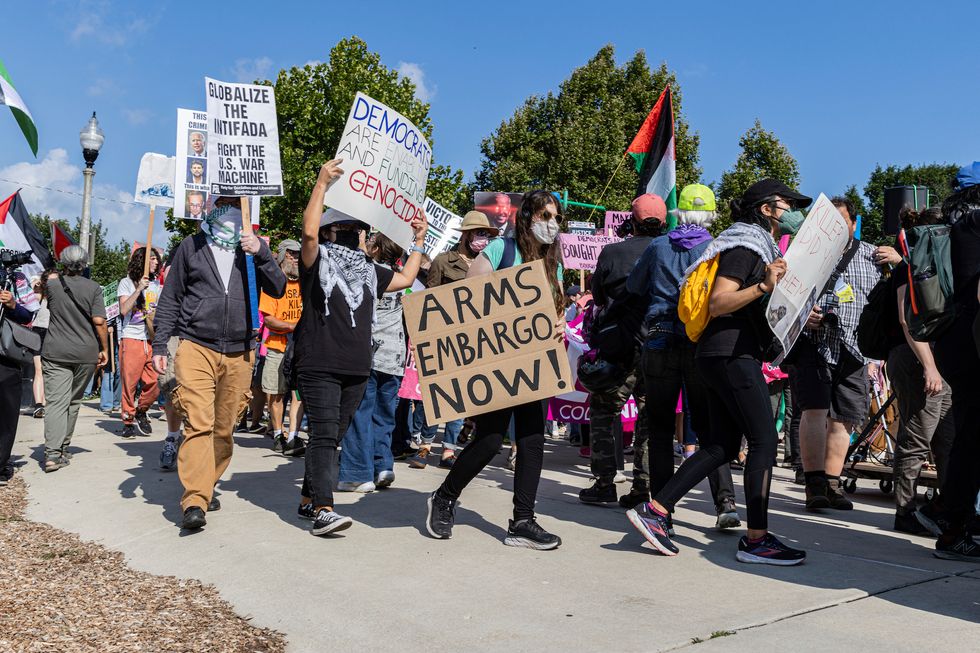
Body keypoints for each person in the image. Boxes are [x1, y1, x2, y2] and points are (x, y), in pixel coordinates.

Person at [626, 179, 810, 565]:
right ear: (766, 209)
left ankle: (655, 511)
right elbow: (720, 301)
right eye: (787, 203)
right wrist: (762, 285)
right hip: (730, 354)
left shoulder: (753, 243)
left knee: (722, 446)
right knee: (762, 441)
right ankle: (757, 540)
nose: (794, 209)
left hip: (718, 354)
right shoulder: (745, 245)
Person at [294, 158, 427, 537]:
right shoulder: (316, 258)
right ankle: (323, 508)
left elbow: (405, 277)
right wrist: (321, 184)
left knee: (333, 437)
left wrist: (418, 241)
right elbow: (306, 235)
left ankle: (307, 498)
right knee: (322, 435)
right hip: (319, 362)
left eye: (359, 229)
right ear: (330, 230)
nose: (354, 233)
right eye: (345, 227)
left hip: (357, 366)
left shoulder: (369, 268)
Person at [426, 189, 565, 550]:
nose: (552, 224)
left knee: (533, 441)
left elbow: (557, 308)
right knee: (489, 441)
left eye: (557, 218)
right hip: (498, 362)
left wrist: (558, 324)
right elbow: (466, 302)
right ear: (527, 217)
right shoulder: (500, 250)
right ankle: (444, 496)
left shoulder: (554, 262)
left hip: (535, 362)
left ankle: (523, 520)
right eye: (545, 216)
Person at [151, 197, 286, 531]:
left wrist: (262, 252)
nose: (228, 207)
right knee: (198, 421)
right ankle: (195, 499)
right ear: (211, 205)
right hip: (196, 345)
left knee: (223, 428)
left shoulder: (252, 248)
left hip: (240, 350)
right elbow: (170, 298)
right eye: (222, 201)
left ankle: (207, 482)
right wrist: (160, 344)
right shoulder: (191, 246)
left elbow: (280, 287)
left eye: (235, 201)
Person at [625, 184, 741, 527]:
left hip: (659, 337)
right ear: (711, 215)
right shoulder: (717, 248)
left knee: (660, 430)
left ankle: (663, 512)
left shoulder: (659, 246)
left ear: (677, 212)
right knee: (710, 431)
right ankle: (726, 504)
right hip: (699, 341)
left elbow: (633, 287)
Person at [792, 196, 882, 512]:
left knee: (845, 418)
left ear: (852, 224)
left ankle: (832, 483)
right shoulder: (806, 254)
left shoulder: (873, 255)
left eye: (840, 222)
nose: (834, 229)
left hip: (855, 347)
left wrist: (899, 259)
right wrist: (806, 314)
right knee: (814, 411)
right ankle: (814, 484)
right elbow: (787, 295)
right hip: (815, 342)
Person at [871, 208, 954, 534]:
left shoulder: (926, 264)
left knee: (947, 438)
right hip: (917, 358)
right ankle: (905, 512)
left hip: (932, 361)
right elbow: (909, 322)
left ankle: (947, 508)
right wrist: (929, 366)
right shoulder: (913, 267)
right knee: (917, 439)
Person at [579, 193, 663, 508]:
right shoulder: (670, 251)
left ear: (632, 221)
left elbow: (598, 295)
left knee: (603, 412)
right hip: (657, 347)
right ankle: (643, 488)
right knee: (649, 419)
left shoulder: (613, 253)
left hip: (620, 348)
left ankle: (604, 483)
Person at [915, 162, 980, 560]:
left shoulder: (957, 226)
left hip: (957, 343)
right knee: (973, 437)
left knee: (972, 434)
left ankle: (951, 515)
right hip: (973, 344)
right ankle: (951, 520)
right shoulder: (976, 226)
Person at [410, 210, 500, 469]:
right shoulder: (443, 261)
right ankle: (425, 445)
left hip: (474, 338)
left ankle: (449, 450)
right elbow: (429, 300)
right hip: (444, 336)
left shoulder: (489, 264)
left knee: (461, 396)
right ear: (466, 235)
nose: (483, 239)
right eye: (480, 233)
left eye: (487, 235)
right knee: (436, 393)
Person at [338, 233, 411, 491]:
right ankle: (383, 466)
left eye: (371, 242)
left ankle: (358, 471)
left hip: (369, 354)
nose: (366, 244)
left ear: (377, 248)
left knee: (360, 413)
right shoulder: (404, 279)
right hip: (396, 355)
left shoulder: (370, 272)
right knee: (384, 416)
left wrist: (358, 243)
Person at [41, 245, 108, 473]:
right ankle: (63, 448)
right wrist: (104, 349)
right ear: (85, 264)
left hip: (55, 351)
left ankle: (51, 454)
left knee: (56, 403)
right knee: (73, 401)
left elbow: (41, 295)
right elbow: (99, 321)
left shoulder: (52, 285)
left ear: (63, 263)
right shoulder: (93, 288)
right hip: (85, 352)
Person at [259, 239, 305, 456]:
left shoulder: (306, 282)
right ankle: (278, 434)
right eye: (291, 254)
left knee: (298, 393)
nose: (295, 258)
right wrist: (293, 327)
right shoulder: (273, 283)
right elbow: (268, 320)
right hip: (278, 347)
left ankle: (294, 436)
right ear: (281, 255)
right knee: (276, 394)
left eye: (297, 255)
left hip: (300, 349)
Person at [117, 247, 162, 438]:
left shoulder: (157, 286)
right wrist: (138, 290)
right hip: (132, 337)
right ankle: (128, 419)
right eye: (151, 259)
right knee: (130, 383)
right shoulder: (126, 283)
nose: (156, 262)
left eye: (157, 259)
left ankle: (142, 410)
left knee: (155, 381)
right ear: (141, 262)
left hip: (151, 339)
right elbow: (124, 309)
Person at [0, 263, 38, 485]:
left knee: (6, 410)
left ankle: (2, 463)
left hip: (6, 354)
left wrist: (13, 304)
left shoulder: (16, 278)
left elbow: (28, 316)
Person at [29, 274, 49, 418]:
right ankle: (38, 404)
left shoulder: (57, 297)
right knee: (39, 370)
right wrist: (33, 285)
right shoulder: (38, 297)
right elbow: (24, 300)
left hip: (54, 332)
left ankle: (46, 404)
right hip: (39, 332)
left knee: (50, 370)